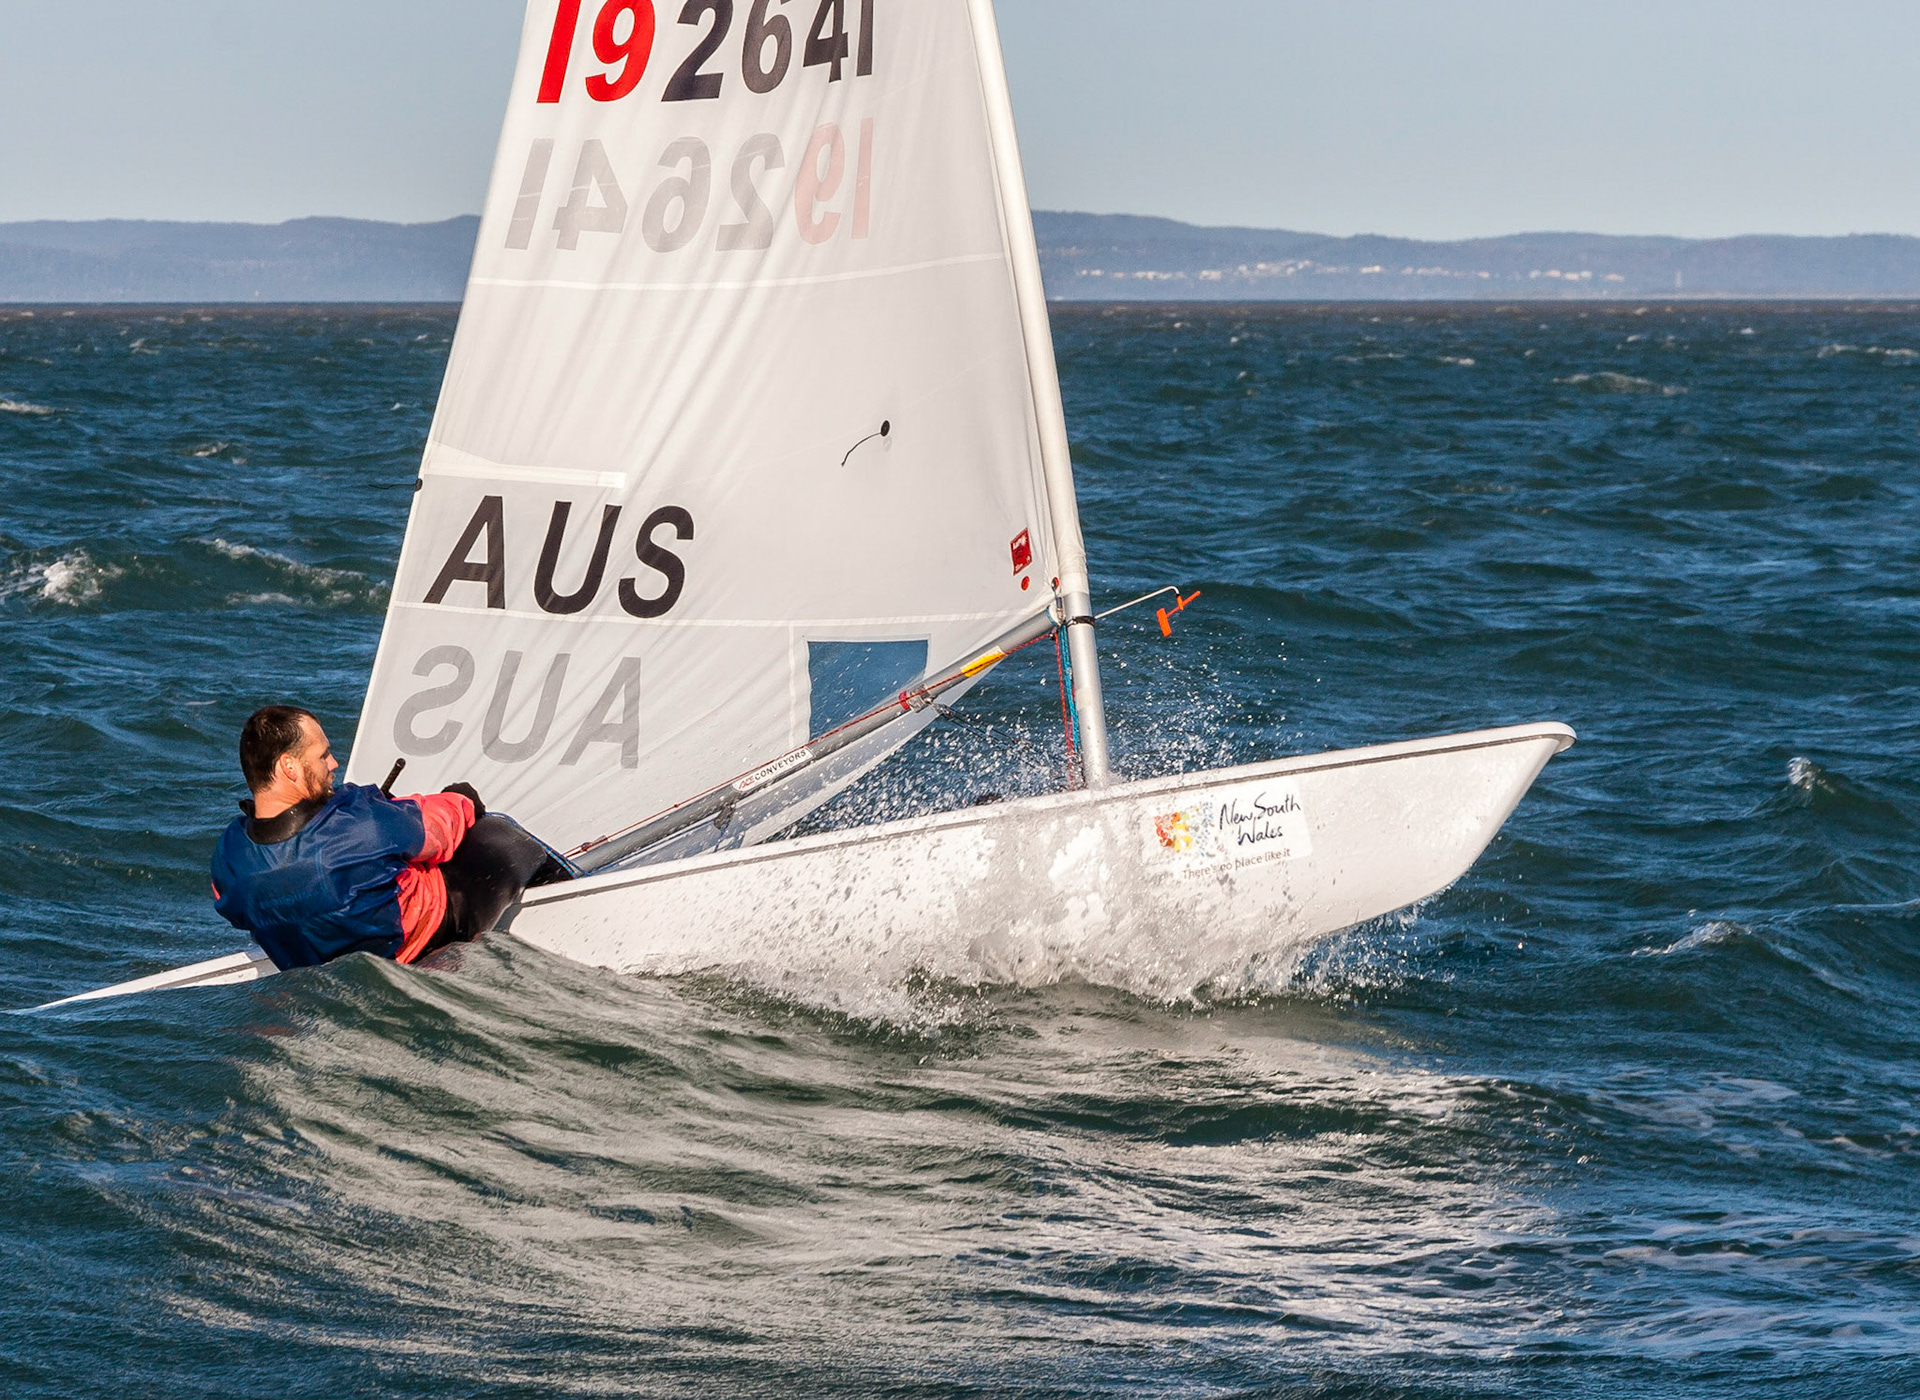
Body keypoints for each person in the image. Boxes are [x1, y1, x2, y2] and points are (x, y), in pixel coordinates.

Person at [209, 705, 568, 971]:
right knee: (497, 833)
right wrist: (461, 798)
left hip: (320, 965)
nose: (333, 763)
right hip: (428, 938)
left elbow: (243, 905)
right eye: (322, 755)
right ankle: (573, 895)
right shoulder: (357, 824)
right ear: (289, 767)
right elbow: (439, 829)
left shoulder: (228, 858)